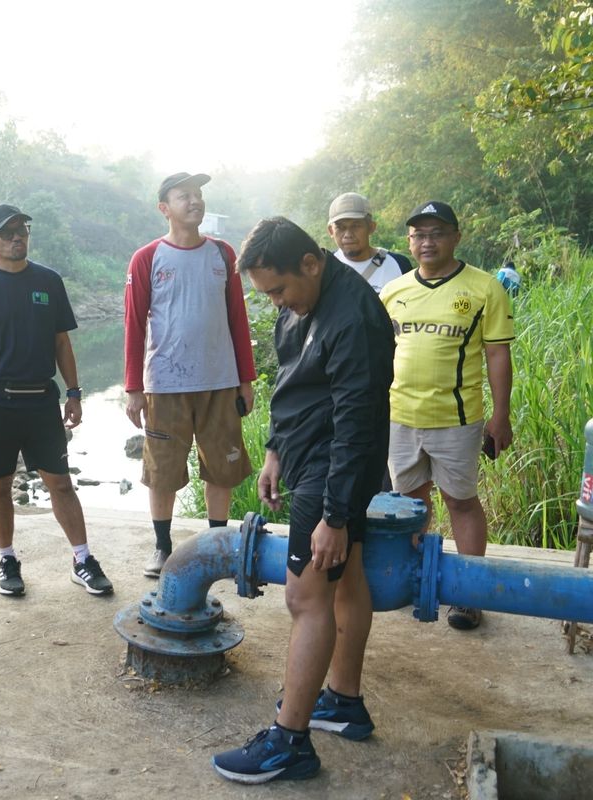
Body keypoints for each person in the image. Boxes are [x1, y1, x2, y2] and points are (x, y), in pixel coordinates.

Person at [212, 217, 394, 784]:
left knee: (306, 597)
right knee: (347, 579)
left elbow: (357, 421)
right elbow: (292, 385)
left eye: (279, 289)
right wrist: (274, 451)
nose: (275, 303)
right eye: (266, 294)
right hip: (310, 457)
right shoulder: (303, 304)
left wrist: (335, 515)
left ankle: (289, 743)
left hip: (335, 467)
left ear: (311, 264)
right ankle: (343, 701)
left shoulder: (354, 317)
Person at [0, 203, 114, 598]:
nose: (16, 237)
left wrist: (74, 392)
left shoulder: (48, 281)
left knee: (60, 483)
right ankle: (7, 559)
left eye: (21, 230)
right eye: (7, 233)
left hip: (42, 402)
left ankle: (82, 559)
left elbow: (62, 342)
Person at [380, 201, 515, 631]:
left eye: (437, 233)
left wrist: (501, 416)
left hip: (457, 419)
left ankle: (468, 595)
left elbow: (497, 354)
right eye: (419, 235)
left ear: (456, 236)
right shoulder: (393, 292)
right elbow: (378, 354)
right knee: (409, 504)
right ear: (409, 242)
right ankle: (414, 582)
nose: (427, 242)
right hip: (399, 417)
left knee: (460, 500)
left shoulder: (484, 288)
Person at [124, 172, 257, 579]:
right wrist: (133, 388)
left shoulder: (222, 254)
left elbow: (238, 318)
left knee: (222, 466)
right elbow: (134, 325)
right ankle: (162, 546)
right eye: (184, 196)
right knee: (162, 470)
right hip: (165, 384)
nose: (195, 201)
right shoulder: (147, 257)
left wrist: (246, 380)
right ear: (164, 208)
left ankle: (216, 543)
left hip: (220, 381)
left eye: (198, 194)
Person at [326, 192, 413, 293]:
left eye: (356, 226)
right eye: (341, 227)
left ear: (371, 227)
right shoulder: (324, 268)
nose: (348, 235)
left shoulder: (398, 264)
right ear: (331, 231)